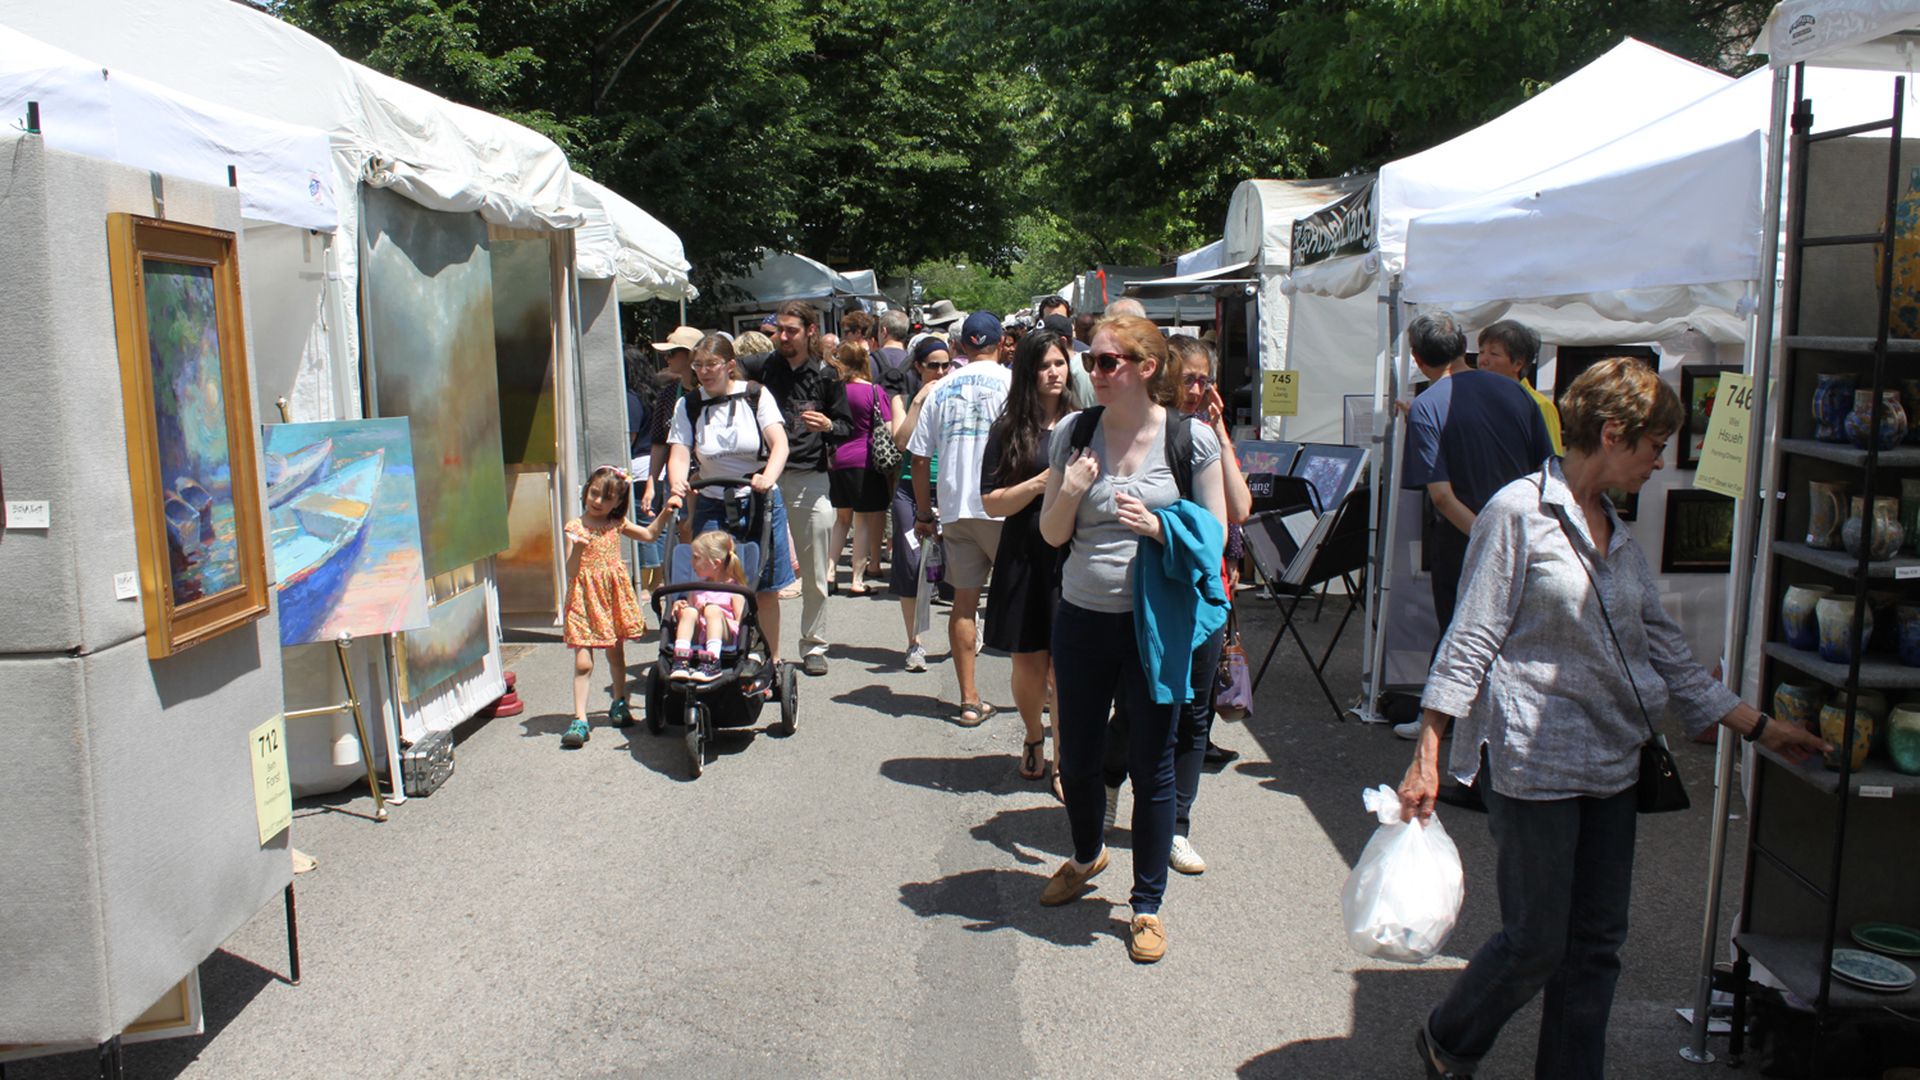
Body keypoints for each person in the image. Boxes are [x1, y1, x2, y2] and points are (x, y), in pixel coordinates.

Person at [1397, 357, 1828, 1080]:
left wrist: (1758, 726)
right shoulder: (1516, 513)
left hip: (1613, 763)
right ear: (1612, 432)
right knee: (1537, 942)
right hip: (1533, 763)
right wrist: (1428, 751)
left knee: (1596, 945)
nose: (1662, 462)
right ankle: (1450, 1036)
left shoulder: (1621, 539)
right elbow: (1469, 637)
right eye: (1654, 446)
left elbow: (1669, 654)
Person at [1038, 315, 1226, 964]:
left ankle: (1147, 905)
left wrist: (1158, 527)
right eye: (1091, 361)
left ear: (1147, 367)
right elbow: (1052, 535)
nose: (1094, 373)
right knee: (1082, 761)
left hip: (1157, 625)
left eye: (1108, 362)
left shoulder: (1190, 439)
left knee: (1152, 766)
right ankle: (1087, 855)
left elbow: (1216, 538)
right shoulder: (1074, 432)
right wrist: (1069, 490)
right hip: (1083, 619)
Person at [1394, 312, 1555, 742]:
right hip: (1528, 536)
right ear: (1463, 347)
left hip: (1463, 540)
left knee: (1462, 634)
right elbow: (1547, 471)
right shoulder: (1517, 394)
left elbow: (1442, 496)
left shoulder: (1429, 403)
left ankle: (1458, 733)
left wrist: (1488, 536)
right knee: (1514, 638)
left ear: (1415, 357)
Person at [981, 327, 1080, 781]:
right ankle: (1033, 735)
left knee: (1067, 664)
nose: (1053, 373)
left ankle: (1065, 761)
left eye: (1059, 363)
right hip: (1024, 551)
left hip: (1074, 554)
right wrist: (1041, 482)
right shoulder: (1009, 429)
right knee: (1028, 659)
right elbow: (991, 501)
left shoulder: (1086, 423)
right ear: (1027, 373)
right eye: (1043, 365)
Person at [665, 334, 797, 670]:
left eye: (712, 365)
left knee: (763, 584)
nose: (704, 372)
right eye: (699, 366)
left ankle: (771, 657)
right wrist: (678, 482)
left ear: (730, 366)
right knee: (706, 579)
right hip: (712, 499)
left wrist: (768, 476)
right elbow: (679, 452)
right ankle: (714, 651)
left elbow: (779, 443)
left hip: (756, 496)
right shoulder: (689, 404)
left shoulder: (755, 395)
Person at [908, 310, 1013, 725]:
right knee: (1027, 602)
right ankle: (1043, 692)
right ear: (1001, 342)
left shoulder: (939, 388)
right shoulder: (1013, 382)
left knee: (964, 605)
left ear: (963, 346)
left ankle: (969, 699)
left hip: (955, 507)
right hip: (1004, 505)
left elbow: (918, 458)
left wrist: (922, 511)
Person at [756, 301, 853, 676]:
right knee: (758, 565)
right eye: (779, 329)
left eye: (790, 330)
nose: (782, 336)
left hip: (809, 478)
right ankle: (760, 645)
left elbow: (847, 427)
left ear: (810, 330)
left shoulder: (828, 375)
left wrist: (828, 425)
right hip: (763, 476)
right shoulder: (764, 368)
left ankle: (814, 645)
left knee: (813, 570)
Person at [561, 465, 681, 748]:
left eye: (606, 498)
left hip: (611, 596)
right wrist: (578, 546)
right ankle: (579, 719)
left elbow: (650, 535)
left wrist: (665, 511)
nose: (598, 501)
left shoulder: (617, 524)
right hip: (584, 597)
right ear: (587, 489)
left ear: (618, 502)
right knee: (582, 661)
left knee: (616, 656)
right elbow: (570, 571)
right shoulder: (575, 527)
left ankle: (619, 702)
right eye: (594, 494)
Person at [889, 336, 953, 671]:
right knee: (911, 566)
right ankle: (914, 643)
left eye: (946, 365)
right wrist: (919, 403)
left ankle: (966, 631)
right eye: (933, 366)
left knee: (953, 568)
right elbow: (902, 442)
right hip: (909, 488)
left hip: (948, 489)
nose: (940, 372)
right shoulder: (902, 399)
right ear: (918, 367)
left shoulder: (956, 396)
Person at [638, 327, 703, 595]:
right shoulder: (668, 394)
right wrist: (652, 483)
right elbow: (659, 442)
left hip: (710, 478)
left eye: (671, 353)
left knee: (707, 537)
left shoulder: (709, 392)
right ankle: (689, 594)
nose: (666, 360)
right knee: (683, 533)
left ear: (689, 356)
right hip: (677, 480)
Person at [825, 340, 892, 596]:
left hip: (837, 459)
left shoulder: (836, 390)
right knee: (862, 521)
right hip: (864, 460)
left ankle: (829, 573)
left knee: (842, 520)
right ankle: (857, 579)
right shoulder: (874, 391)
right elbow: (887, 427)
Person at [665, 529, 750, 685]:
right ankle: (681, 659)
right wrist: (679, 609)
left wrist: (709, 609)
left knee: (712, 610)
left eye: (696, 558)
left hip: (724, 636)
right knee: (689, 611)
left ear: (716, 563)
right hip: (698, 633)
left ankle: (712, 660)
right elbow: (689, 617)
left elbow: (740, 624)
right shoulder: (697, 587)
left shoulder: (734, 589)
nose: (691, 562)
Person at [1475, 319, 1564, 454]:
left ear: (1518, 364)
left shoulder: (1540, 405)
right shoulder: (1476, 401)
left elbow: (1552, 462)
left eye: (1494, 354)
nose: (1483, 361)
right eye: (1481, 352)